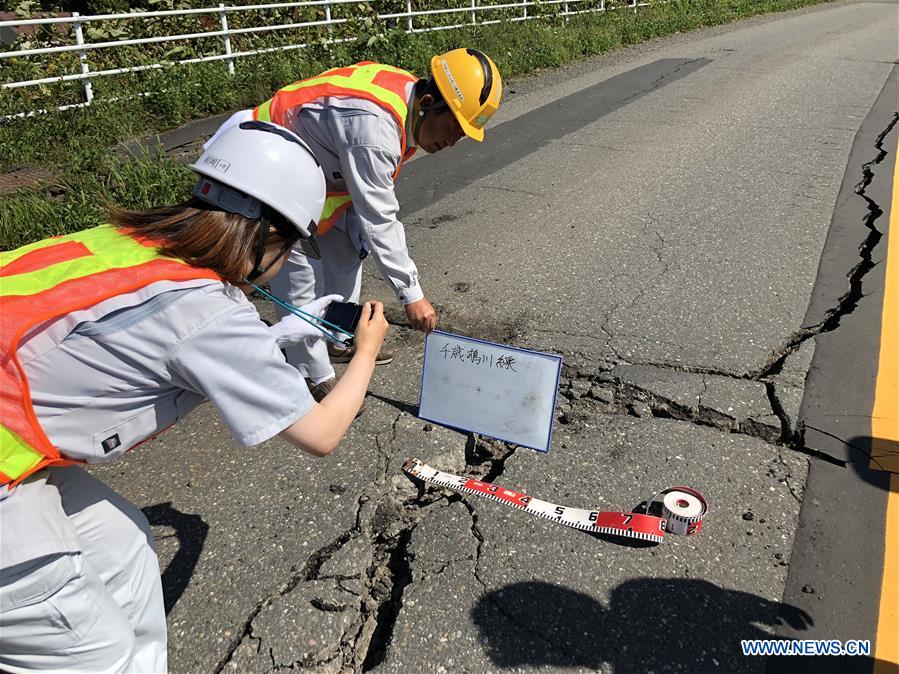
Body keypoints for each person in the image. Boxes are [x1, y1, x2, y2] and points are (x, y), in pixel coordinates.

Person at [0, 120, 388, 672]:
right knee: (93, 653)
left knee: (128, 549)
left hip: (17, 449)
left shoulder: (131, 242)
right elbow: (321, 433)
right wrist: (367, 350)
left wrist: (275, 336)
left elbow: (173, 338)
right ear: (268, 235)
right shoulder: (207, 313)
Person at [204, 49, 503, 406]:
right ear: (427, 102)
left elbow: (363, 195)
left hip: (311, 173)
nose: (452, 142)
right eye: (453, 128)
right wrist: (412, 295)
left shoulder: (406, 105)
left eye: (462, 136)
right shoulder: (375, 129)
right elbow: (380, 217)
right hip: (261, 169)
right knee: (300, 276)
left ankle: (339, 335)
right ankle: (313, 375)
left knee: (348, 251)